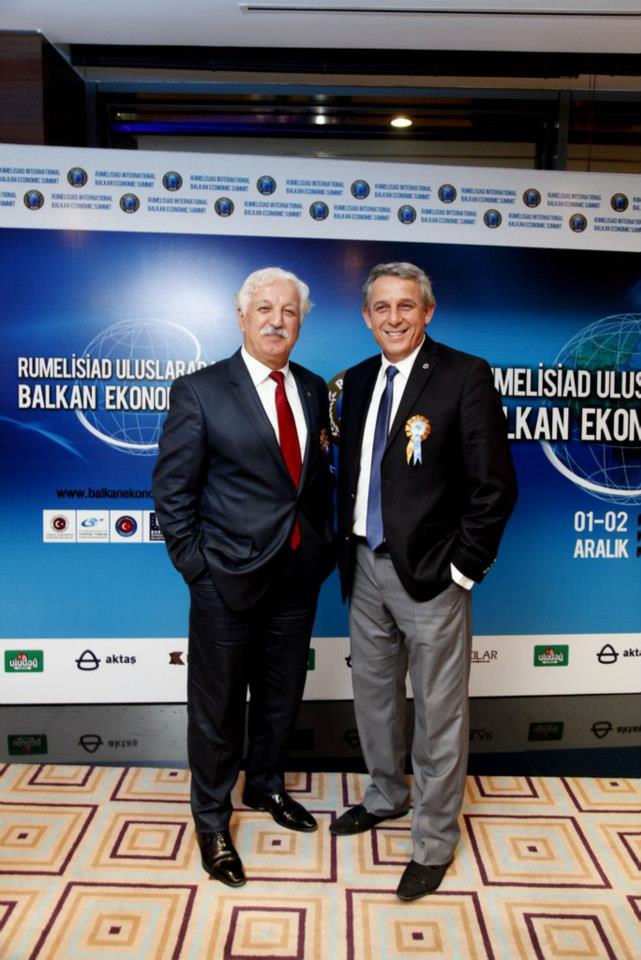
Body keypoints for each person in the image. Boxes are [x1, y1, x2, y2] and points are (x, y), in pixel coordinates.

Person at [332, 262, 517, 901]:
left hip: (433, 573)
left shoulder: (465, 375)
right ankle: (386, 795)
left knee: (439, 712)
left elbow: (495, 486)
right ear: (367, 317)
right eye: (381, 307)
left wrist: (463, 568)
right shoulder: (357, 380)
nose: (394, 318)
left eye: (406, 306)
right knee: (374, 696)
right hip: (363, 563)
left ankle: (433, 842)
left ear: (428, 311)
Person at [152, 267, 335, 887]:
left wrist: (321, 548)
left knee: (281, 697)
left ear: (300, 323)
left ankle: (265, 786)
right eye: (264, 309)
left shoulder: (312, 388)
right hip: (225, 579)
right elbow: (172, 492)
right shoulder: (200, 390)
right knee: (217, 709)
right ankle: (211, 820)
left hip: (297, 574)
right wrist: (197, 570)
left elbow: (312, 481)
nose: (277, 321)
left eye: (289, 311)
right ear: (241, 317)